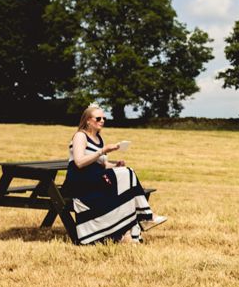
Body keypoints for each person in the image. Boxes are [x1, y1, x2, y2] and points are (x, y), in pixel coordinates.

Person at [63, 104, 167, 244]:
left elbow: (102, 164)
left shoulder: (99, 139)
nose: (102, 121)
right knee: (127, 174)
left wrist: (115, 165)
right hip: (80, 180)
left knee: (126, 175)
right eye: (98, 118)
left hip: (96, 178)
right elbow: (79, 162)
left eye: (104, 118)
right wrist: (102, 151)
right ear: (88, 120)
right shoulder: (80, 136)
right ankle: (146, 216)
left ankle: (128, 232)